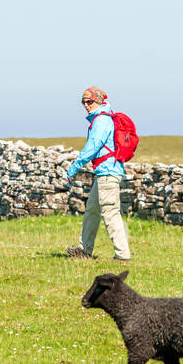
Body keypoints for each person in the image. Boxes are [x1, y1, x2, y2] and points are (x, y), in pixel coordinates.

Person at [65, 86, 131, 262]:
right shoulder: (102, 118)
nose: (86, 105)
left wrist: (73, 168)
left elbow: (92, 147)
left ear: (99, 101)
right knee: (92, 211)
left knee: (110, 213)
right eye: (83, 102)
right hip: (103, 173)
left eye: (90, 101)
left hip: (108, 174)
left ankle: (123, 256)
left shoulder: (101, 121)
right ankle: (84, 250)